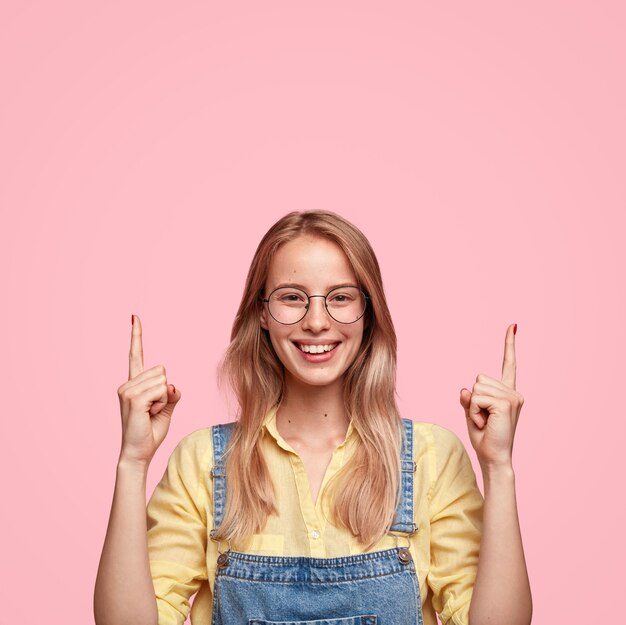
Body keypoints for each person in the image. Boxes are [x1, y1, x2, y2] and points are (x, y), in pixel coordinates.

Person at [94, 210, 532, 625]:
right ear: (263, 313)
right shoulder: (203, 464)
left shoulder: (432, 459)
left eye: (340, 298)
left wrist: (499, 468)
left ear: (369, 312)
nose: (317, 322)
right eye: (292, 298)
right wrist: (132, 463)